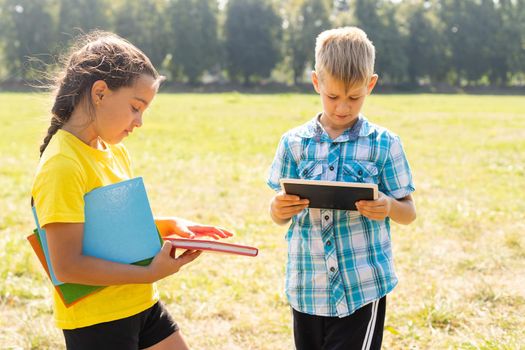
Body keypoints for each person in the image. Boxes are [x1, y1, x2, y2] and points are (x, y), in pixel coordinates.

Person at [31, 31, 232, 350]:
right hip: (98, 321)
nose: (139, 122)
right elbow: (67, 266)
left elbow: (110, 233)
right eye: (136, 107)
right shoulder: (62, 165)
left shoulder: (113, 150)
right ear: (100, 93)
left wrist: (171, 226)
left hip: (140, 303)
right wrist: (150, 272)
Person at [267, 27, 416, 350]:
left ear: (370, 85)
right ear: (317, 82)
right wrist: (278, 210)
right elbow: (278, 211)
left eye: (354, 97)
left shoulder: (384, 144)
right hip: (308, 286)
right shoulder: (294, 143)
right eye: (333, 96)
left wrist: (389, 206)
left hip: (361, 287)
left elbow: (408, 212)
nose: (343, 108)